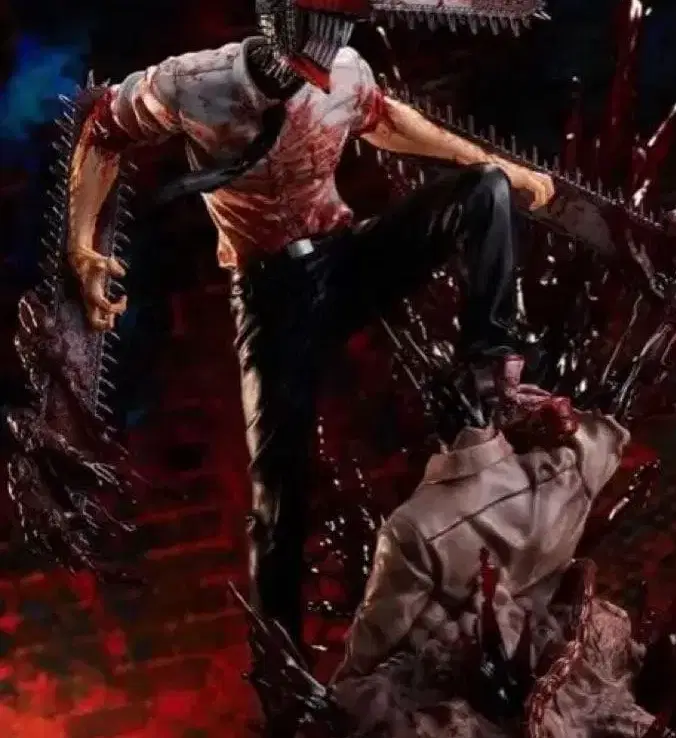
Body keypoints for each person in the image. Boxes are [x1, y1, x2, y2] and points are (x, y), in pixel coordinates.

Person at [64, 3, 555, 650]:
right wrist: (81, 247)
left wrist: (498, 164)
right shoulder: (195, 82)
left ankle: (493, 369)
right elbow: (103, 127)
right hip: (273, 296)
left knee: (484, 188)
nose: (325, 54)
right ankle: (281, 662)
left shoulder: (346, 70)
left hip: (345, 260)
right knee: (278, 493)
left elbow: (386, 120)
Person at [330, 356, 659, 738]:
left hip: (466, 682)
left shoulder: (412, 526)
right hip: (557, 642)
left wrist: (342, 685)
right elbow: (604, 435)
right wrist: (532, 414)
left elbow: (374, 641)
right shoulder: (567, 467)